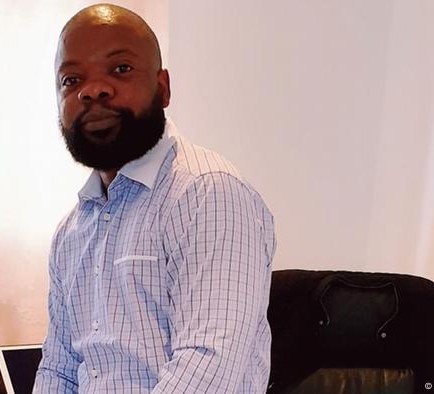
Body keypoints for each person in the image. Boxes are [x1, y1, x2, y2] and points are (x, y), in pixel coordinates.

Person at [33, 3, 276, 393]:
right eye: (71, 80)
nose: (93, 90)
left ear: (162, 88)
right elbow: (58, 370)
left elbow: (208, 372)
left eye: (120, 69)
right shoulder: (70, 233)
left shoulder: (208, 194)